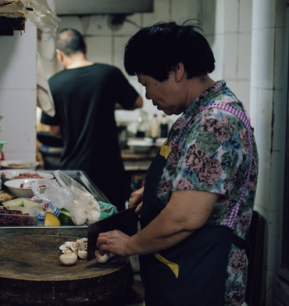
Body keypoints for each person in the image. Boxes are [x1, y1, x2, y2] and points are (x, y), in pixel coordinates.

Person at [96, 21, 259, 306]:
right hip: (182, 274)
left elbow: (186, 217)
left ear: (177, 71)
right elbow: (195, 183)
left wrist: (128, 245)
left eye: (147, 83)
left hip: (203, 280)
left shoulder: (215, 123)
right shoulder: (196, 115)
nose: (147, 95)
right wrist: (155, 194)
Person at [40, 28, 143, 211]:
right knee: (111, 224)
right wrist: (107, 103)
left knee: (77, 227)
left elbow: (54, 131)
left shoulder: (54, 84)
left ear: (59, 54)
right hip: (109, 172)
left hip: (74, 174)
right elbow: (137, 102)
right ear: (85, 47)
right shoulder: (109, 74)